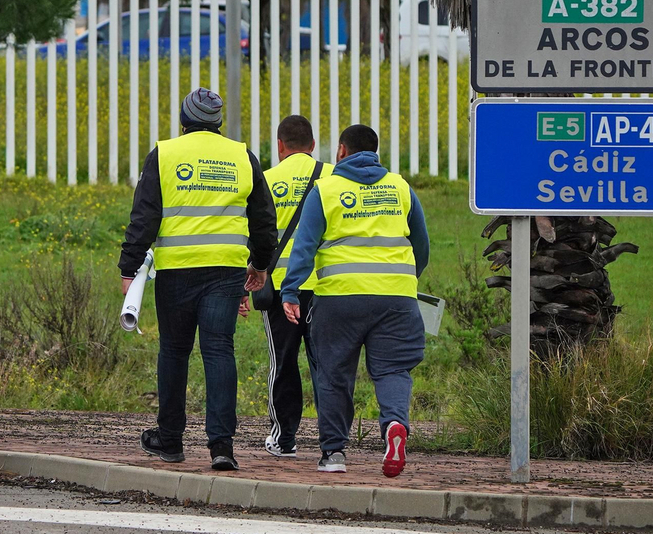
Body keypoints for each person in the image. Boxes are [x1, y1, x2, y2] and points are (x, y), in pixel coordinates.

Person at [119, 88, 277, 472]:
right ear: (218, 122)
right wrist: (259, 265)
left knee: (174, 351)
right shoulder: (243, 156)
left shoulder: (166, 153)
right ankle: (222, 446)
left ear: (184, 120)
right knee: (219, 350)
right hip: (225, 271)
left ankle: (170, 441)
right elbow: (263, 220)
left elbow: (144, 216)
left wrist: (129, 267)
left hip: (177, 270)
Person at [280, 124, 429, 477]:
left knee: (334, 374)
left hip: (339, 300)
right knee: (393, 369)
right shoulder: (400, 187)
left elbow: (304, 246)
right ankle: (395, 425)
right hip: (396, 297)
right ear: (376, 153)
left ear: (342, 152)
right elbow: (421, 244)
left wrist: (291, 290)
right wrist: (406, 279)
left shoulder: (325, 190)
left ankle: (333, 453)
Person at [254, 114, 326, 458]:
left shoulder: (266, 180)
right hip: (326, 289)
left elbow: (256, 236)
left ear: (280, 146)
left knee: (282, 363)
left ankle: (283, 439)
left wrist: (246, 281)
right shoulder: (331, 178)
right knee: (327, 364)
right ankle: (332, 442)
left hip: (280, 289)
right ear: (313, 146)